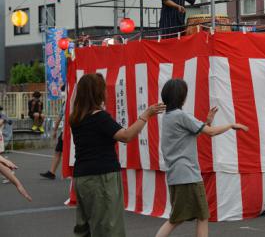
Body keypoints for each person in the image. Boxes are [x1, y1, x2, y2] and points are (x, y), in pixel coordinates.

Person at [70, 73, 165, 237]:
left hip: (81, 177)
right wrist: (146, 115)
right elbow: (126, 136)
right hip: (102, 178)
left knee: (85, 228)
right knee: (108, 228)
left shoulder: (76, 118)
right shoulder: (100, 117)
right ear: (97, 93)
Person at [156, 79, 248, 237]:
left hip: (177, 175)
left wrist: (207, 121)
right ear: (181, 97)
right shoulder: (181, 115)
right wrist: (231, 125)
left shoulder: (168, 116)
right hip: (188, 175)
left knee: (183, 217)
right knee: (197, 217)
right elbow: (210, 132)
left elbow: (195, 131)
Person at [40, 84, 67, 179]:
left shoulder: (74, 102)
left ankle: (72, 173)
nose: (63, 93)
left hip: (71, 131)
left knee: (72, 153)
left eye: (64, 90)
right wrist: (55, 130)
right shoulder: (64, 103)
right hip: (64, 131)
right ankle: (52, 172)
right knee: (58, 151)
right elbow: (59, 117)